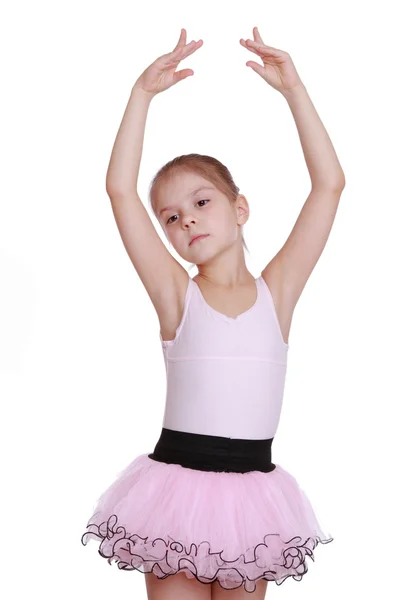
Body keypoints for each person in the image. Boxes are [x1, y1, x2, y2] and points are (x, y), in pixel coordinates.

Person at [80, 27, 345, 599]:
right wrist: (140, 95)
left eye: (201, 203)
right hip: (176, 491)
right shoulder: (178, 296)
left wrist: (294, 90)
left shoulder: (279, 293)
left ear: (239, 207)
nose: (187, 222)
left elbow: (329, 186)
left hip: (252, 497)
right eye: (170, 218)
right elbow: (120, 190)